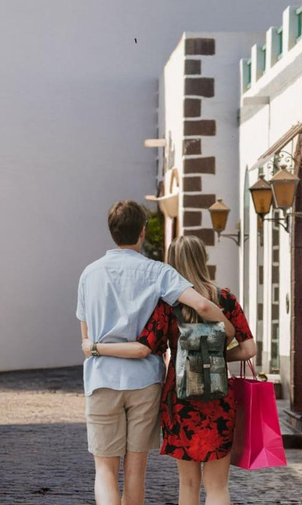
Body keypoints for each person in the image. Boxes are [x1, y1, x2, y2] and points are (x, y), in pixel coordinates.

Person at [77, 201, 235, 505]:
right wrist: (227, 328)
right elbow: (201, 304)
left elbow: (86, 338)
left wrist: (94, 347)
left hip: (102, 377)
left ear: (112, 232)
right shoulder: (157, 271)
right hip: (144, 381)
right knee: (135, 471)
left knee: (105, 471)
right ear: (142, 232)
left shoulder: (90, 274)